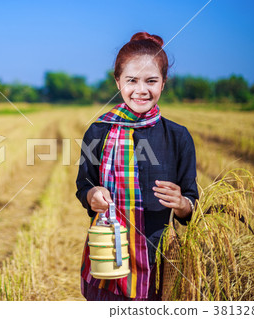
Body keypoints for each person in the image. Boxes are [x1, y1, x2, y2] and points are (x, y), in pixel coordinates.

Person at [75, 31, 198, 301]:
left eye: (151, 81)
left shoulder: (178, 136)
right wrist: (92, 195)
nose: (141, 90)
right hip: (107, 258)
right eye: (132, 80)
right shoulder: (98, 132)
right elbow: (84, 185)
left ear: (164, 83)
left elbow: (191, 203)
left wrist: (181, 203)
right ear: (118, 81)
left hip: (159, 265)